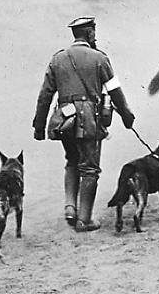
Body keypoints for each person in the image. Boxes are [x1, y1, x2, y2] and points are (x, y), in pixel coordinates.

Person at [32, 16, 136, 232]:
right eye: (93, 32)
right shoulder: (100, 58)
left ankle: (70, 208)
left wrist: (39, 126)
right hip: (89, 119)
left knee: (71, 160)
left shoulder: (57, 59)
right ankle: (85, 220)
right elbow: (115, 91)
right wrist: (127, 116)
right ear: (89, 33)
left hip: (64, 120)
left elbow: (45, 95)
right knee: (89, 169)